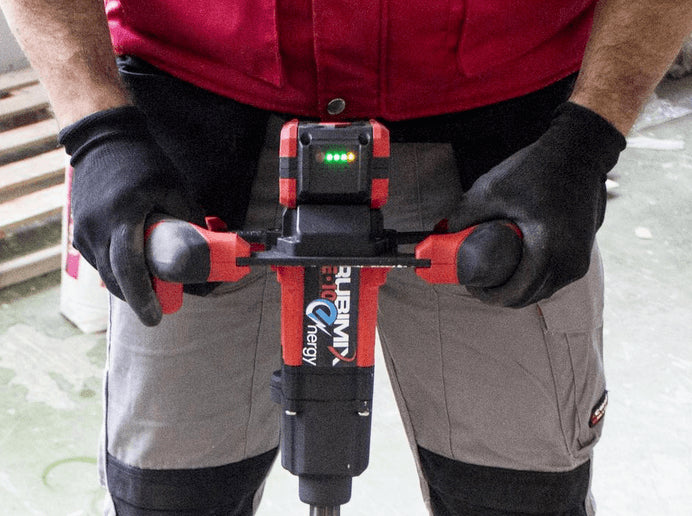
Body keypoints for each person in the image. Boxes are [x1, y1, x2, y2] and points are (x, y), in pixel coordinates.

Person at [2, 1, 691, 514]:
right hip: (196, 150)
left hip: (505, 158)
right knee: (170, 497)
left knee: (518, 496)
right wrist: (98, 129)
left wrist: (587, 137)